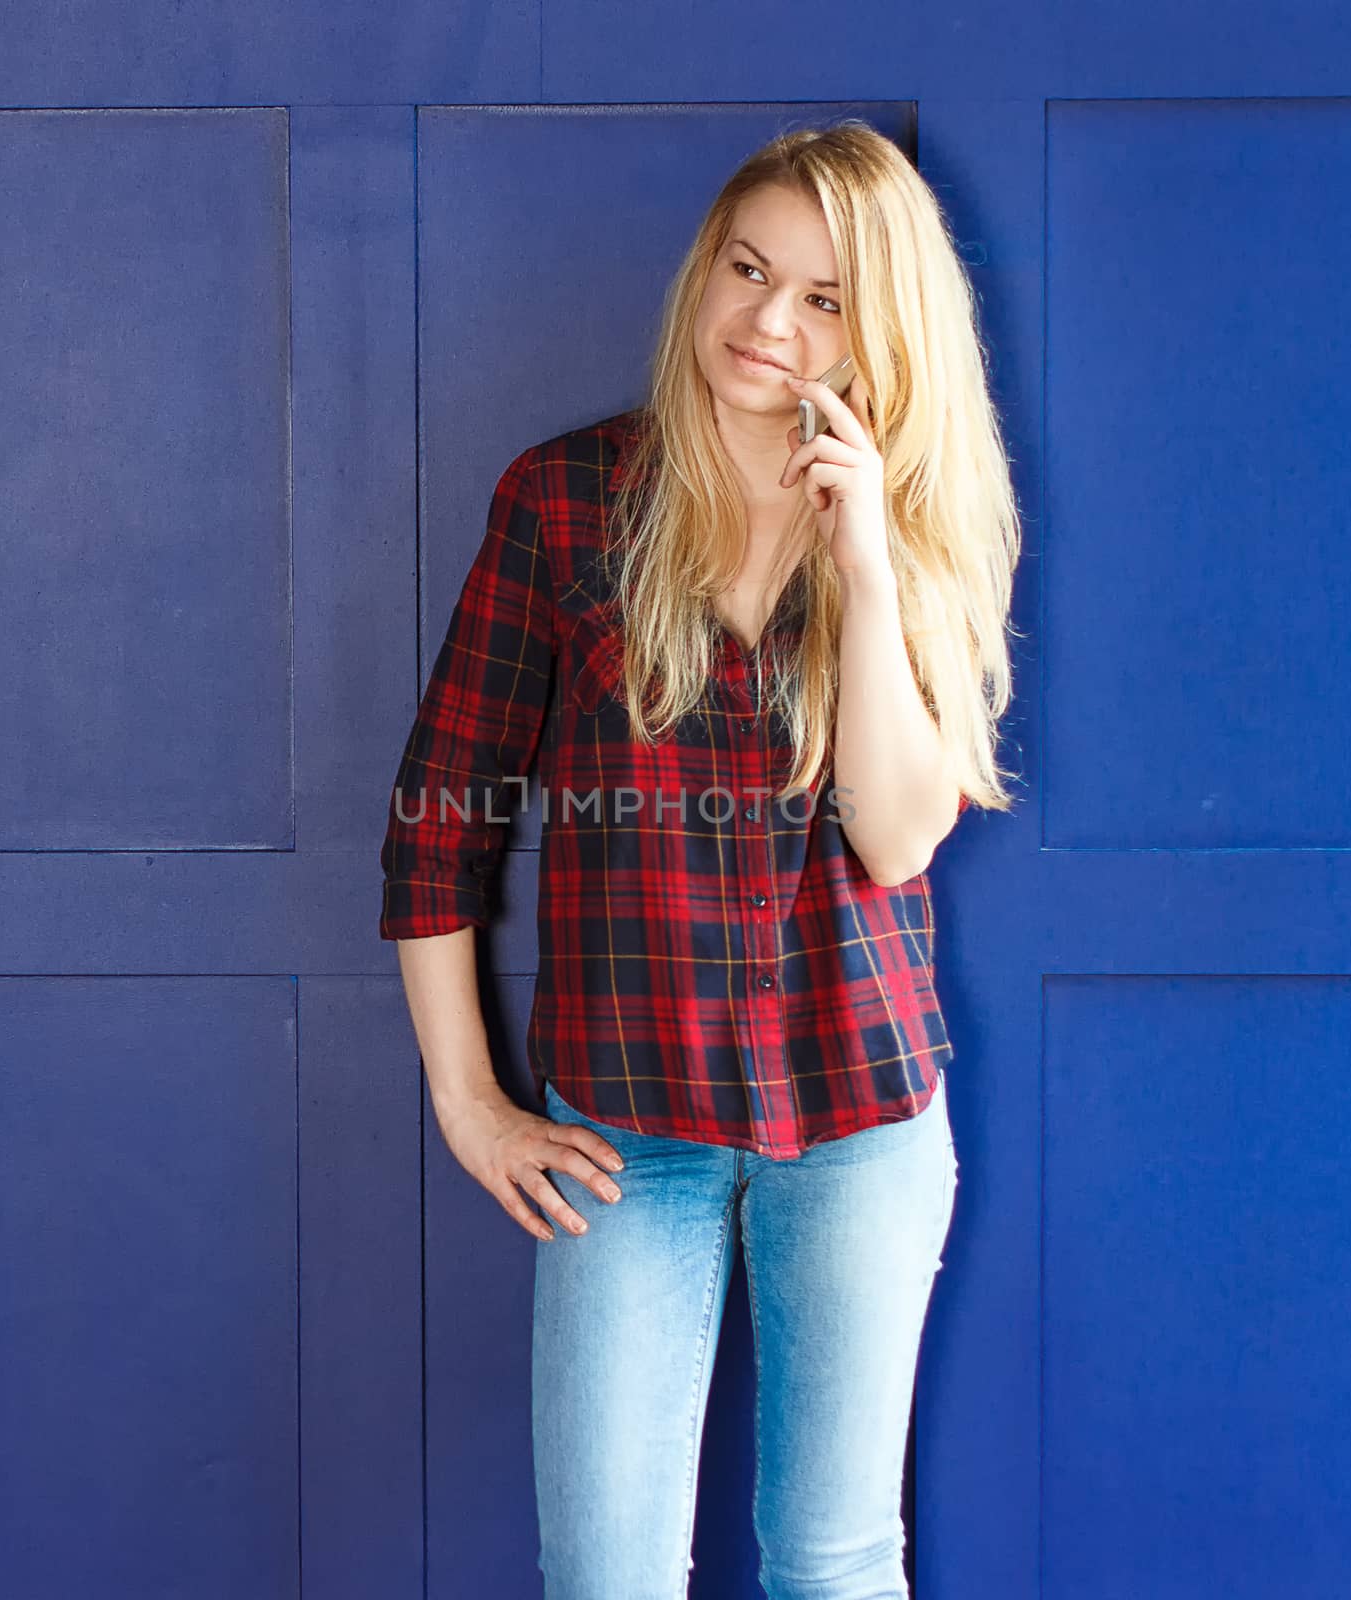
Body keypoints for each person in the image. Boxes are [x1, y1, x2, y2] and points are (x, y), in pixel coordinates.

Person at [379, 118, 1021, 1600]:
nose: (767, 322)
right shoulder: (562, 504)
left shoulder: (910, 526)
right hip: (629, 1138)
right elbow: (438, 828)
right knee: (605, 1575)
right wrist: (472, 1107)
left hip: (862, 1122)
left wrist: (861, 567)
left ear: (882, 327)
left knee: (835, 1560)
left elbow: (901, 832)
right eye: (748, 268)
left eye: (823, 296)